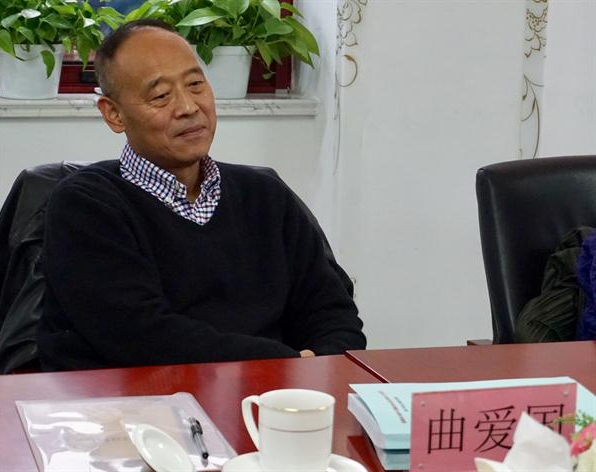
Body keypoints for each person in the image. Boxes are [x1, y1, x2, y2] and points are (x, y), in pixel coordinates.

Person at [37, 19, 366, 371]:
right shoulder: (85, 205)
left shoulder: (266, 195)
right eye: (160, 96)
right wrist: (287, 365)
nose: (189, 107)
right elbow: (142, 337)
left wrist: (309, 375)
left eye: (196, 85)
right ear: (114, 114)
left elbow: (335, 315)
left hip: (274, 394)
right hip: (138, 399)